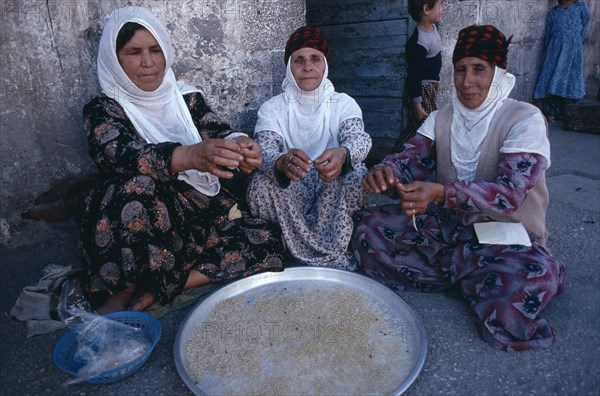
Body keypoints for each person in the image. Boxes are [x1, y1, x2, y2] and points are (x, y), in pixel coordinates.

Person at [350, 25, 567, 351]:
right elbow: (409, 160)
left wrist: (439, 193)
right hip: (450, 229)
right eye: (461, 70)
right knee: (367, 229)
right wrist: (386, 173)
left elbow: (508, 195)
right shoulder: (441, 117)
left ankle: (470, 274)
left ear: (498, 72)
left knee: (520, 293)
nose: (467, 82)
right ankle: (471, 276)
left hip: (507, 239)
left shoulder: (524, 119)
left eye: (479, 69)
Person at [78, 6, 286, 314]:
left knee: (268, 237)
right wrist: (189, 155)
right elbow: (120, 156)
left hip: (191, 215)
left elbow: (217, 131)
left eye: (155, 50)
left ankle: (170, 282)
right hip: (138, 220)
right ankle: (133, 288)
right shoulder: (103, 109)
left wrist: (240, 146)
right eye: (134, 52)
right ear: (115, 59)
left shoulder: (185, 98)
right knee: (139, 189)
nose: (148, 62)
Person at [247, 25, 372, 270]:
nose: (307, 67)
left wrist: (343, 154)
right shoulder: (272, 108)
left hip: (331, 182)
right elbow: (266, 151)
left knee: (357, 175)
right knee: (259, 187)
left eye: (316, 59)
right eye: (299, 60)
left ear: (325, 64)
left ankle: (297, 245)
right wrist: (281, 163)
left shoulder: (343, 103)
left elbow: (359, 139)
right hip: (293, 187)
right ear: (289, 67)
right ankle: (324, 249)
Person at [393, 0, 444, 151]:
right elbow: (414, 76)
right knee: (418, 130)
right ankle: (394, 158)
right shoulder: (418, 42)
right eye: (441, 4)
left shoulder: (432, 28)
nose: (444, 8)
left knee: (422, 129)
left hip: (429, 89)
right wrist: (417, 106)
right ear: (427, 9)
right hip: (421, 93)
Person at [533, 0, 590, 122]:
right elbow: (548, 33)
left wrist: (574, 41)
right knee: (553, 76)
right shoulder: (553, 13)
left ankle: (568, 111)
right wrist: (550, 49)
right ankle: (552, 111)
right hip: (555, 50)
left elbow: (585, 28)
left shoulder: (581, 8)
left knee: (571, 76)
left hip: (573, 50)